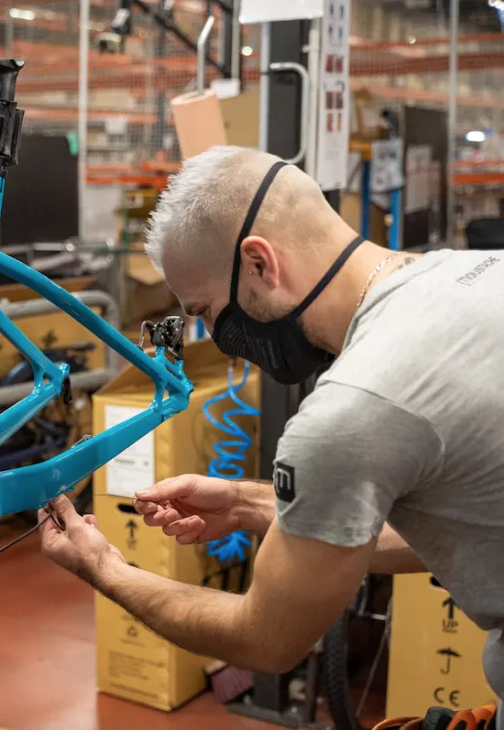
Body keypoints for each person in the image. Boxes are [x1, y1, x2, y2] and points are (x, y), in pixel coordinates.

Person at [39, 145, 504, 705]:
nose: (215, 336)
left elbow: (265, 640)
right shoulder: (479, 271)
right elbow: (461, 528)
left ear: (260, 263)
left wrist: (104, 567)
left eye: (208, 311)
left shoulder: (355, 406)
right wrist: (247, 505)